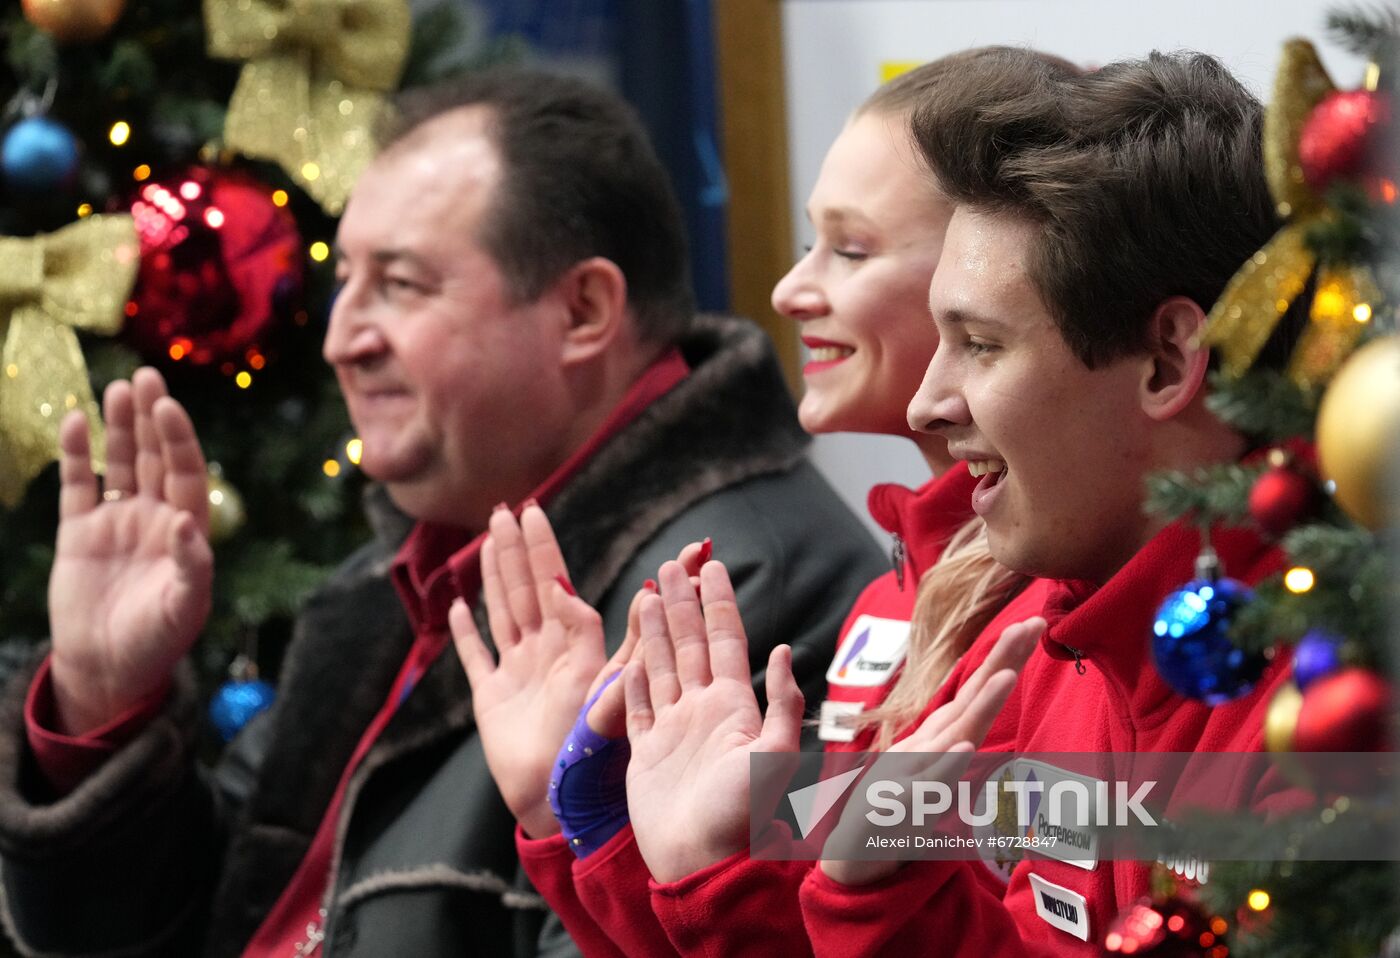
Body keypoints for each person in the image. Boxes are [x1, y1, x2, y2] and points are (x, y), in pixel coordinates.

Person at [0, 69, 884, 957]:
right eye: (346, 280)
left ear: (583, 310)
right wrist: (101, 706)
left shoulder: (738, 598)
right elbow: (174, 928)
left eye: (401, 284)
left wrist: (571, 809)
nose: (342, 337)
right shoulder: (400, 575)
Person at [578, 50, 1299, 957]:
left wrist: (855, 897)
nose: (929, 401)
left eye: (981, 343)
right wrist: (718, 863)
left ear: (1165, 362)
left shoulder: (1338, 691)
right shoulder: (1064, 643)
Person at [449, 48, 1078, 958]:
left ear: (983, 270)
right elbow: (764, 927)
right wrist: (583, 816)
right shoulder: (892, 594)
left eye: (850, 248)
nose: (789, 290)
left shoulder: (1050, 613)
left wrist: (705, 860)